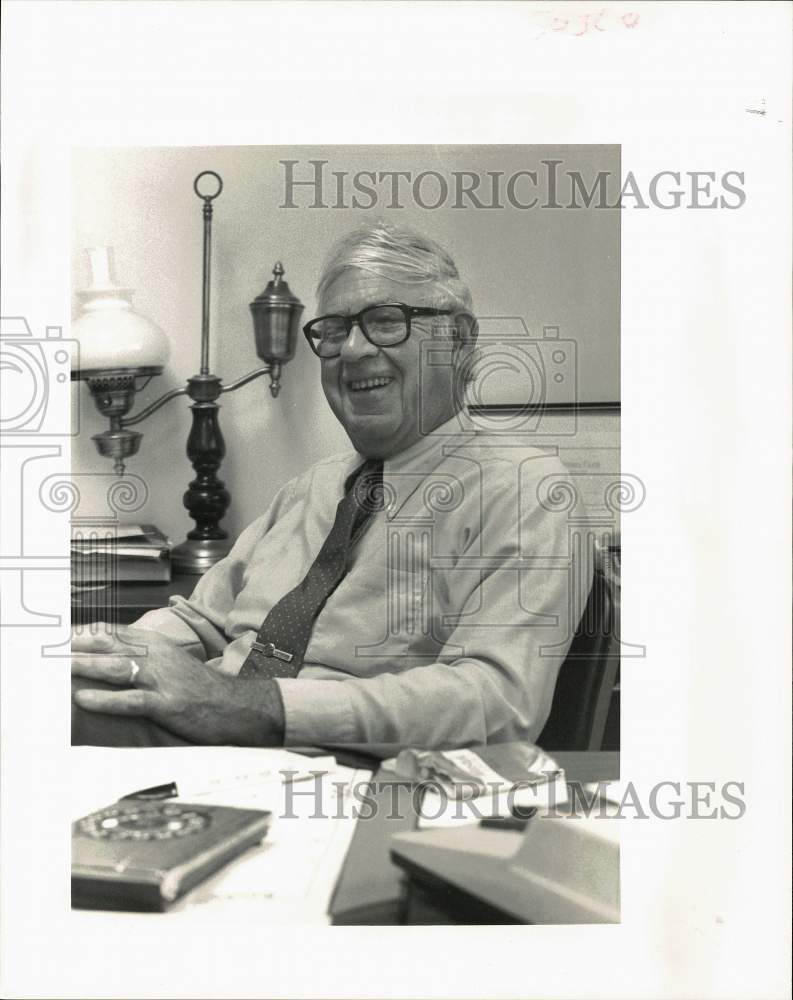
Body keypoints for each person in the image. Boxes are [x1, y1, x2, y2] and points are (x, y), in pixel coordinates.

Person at [72, 224, 590, 749]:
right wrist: (100, 649)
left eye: (387, 322)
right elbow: (205, 620)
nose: (354, 349)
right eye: (336, 330)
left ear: (458, 339)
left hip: (347, 783)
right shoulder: (312, 488)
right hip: (202, 745)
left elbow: (497, 702)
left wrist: (245, 706)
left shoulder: (528, 493)